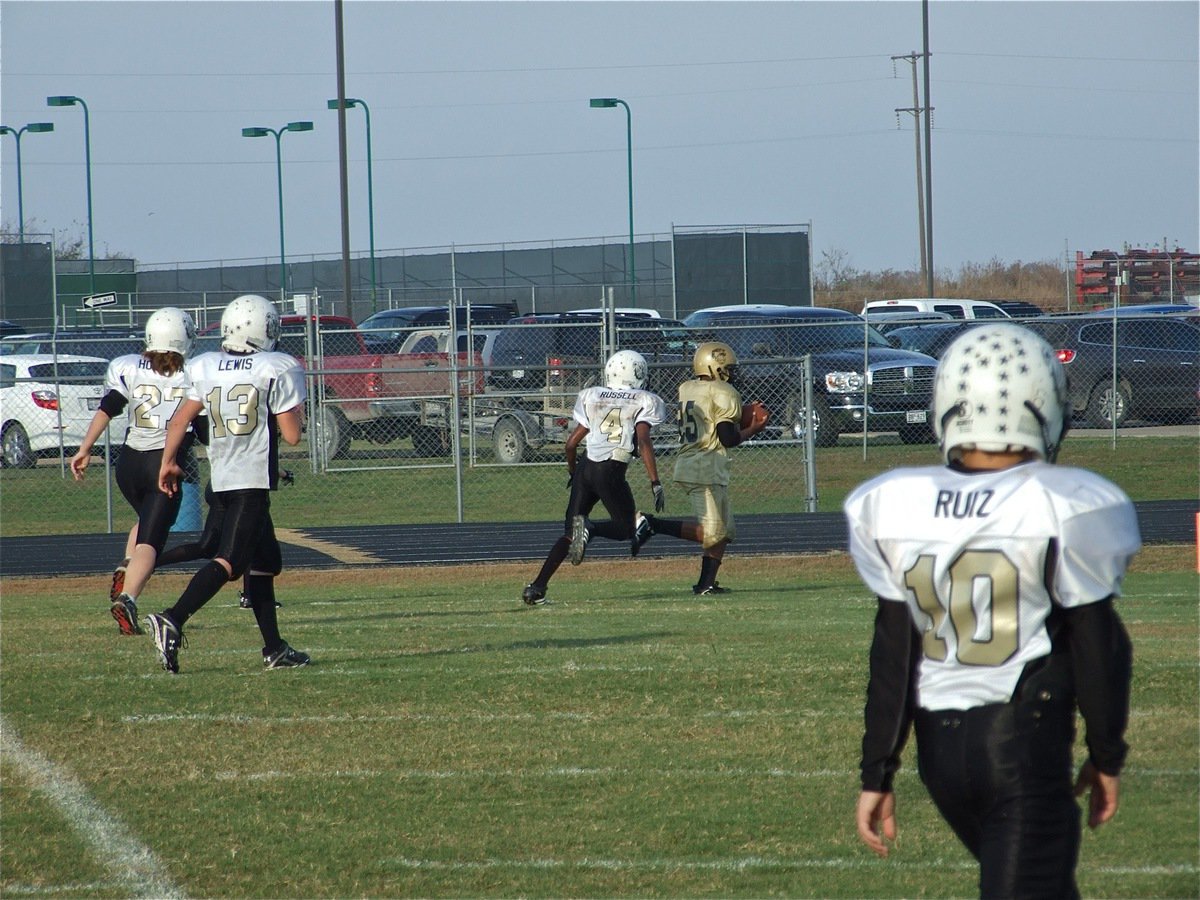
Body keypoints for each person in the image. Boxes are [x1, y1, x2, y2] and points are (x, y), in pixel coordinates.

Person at [844, 324, 1140, 899]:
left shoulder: (894, 502)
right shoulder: (1065, 503)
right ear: (1047, 405)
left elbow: (894, 649)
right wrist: (1107, 754)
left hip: (941, 758)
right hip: (1021, 747)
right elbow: (1099, 645)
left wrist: (877, 771)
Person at [146, 293, 311, 673]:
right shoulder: (277, 366)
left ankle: (275, 648)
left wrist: (168, 463)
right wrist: (292, 409)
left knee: (266, 562)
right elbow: (292, 436)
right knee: (231, 562)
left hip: (222, 477)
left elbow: (178, 422)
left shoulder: (206, 365)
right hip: (250, 480)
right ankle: (173, 617)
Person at [69, 307, 200, 635]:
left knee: (147, 521)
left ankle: (126, 568)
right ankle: (128, 597)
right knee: (151, 543)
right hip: (163, 464)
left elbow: (108, 408)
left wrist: (85, 449)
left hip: (128, 464)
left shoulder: (128, 366)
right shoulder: (195, 372)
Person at [522, 349, 667, 606]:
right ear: (638, 373)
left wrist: (572, 472)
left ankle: (536, 588)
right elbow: (643, 440)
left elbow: (570, 444)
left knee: (570, 534)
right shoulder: (645, 399)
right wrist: (655, 481)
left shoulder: (593, 395)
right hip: (611, 470)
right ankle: (592, 528)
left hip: (585, 467)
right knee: (626, 528)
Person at [632, 341, 768, 595]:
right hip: (703, 466)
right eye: (727, 367)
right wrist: (755, 428)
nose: (731, 372)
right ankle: (653, 525)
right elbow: (728, 438)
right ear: (715, 365)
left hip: (699, 464)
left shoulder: (687, 388)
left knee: (725, 531)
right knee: (713, 533)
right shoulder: (723, 391)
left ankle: (705, 584)